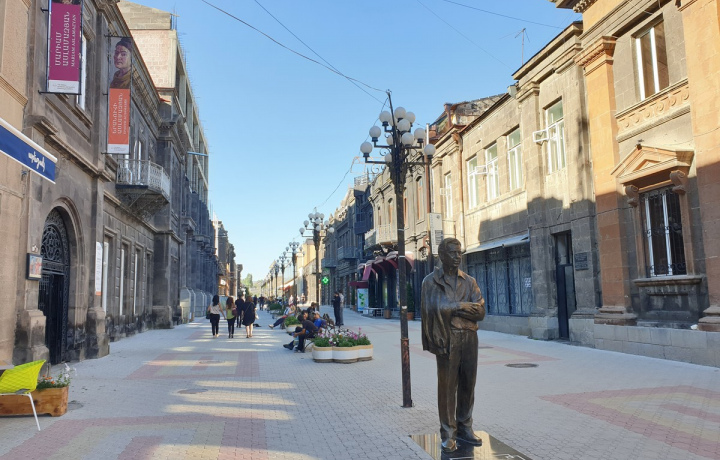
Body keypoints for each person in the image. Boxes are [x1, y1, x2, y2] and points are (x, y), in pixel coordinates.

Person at [421, 238, 486, 453]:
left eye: (460, 252)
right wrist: (461, 306)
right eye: (453, 253)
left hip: (469, 338)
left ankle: (465, 427)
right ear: (442, 255)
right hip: (446, 339)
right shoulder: (430, 282)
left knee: (468, 384)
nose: (458, 256)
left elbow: (481, 312)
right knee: (447, 387)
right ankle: (448, 433)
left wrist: (452, 308)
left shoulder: (469, 281)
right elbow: (429, 310)